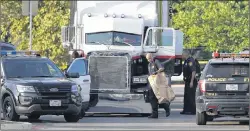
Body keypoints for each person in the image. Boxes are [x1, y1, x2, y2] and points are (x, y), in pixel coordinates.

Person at [146, 53, 170, 119]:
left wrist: (156, 72)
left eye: (149, 58)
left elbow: (162, 68)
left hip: (157, 83)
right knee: (151, 98)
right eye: (147, 59)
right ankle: (155, 114)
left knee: (157, 98)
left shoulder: (156, 61)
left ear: (152, 57)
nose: (149, 60)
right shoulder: (149, 64)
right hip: (152, 83)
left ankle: (166, 106)